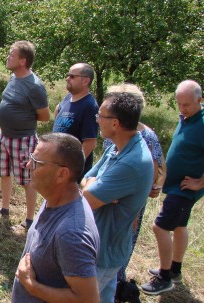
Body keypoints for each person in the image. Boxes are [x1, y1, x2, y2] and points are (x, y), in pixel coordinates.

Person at [81, 90, 154, 303]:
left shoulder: (132, 162)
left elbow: (88, 199)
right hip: (104, 246)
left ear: (115, 123)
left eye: (100, 116)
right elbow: (87, 178)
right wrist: (95, 186)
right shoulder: (117, 147)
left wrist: (93, 188)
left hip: (104, 252)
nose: (97, 121)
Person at [12, 133, 100, 303]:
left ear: (62, 174)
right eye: (31, 158)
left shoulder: (71, 233)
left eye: (37, 162)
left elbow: (88, 299)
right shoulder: (55, 199)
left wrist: (32, 287)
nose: (29, 165)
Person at [141, 80, 204, 295]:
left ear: (200, 100)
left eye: (186, 104)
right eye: (179, 103)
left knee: (160, 227)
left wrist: (201, 182)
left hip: (185, 189)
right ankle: (175, 269)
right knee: (179, 226)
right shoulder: (186, 117)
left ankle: (164, 277)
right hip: (176, 185)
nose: (182, 108)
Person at [101, 84, 165, 283]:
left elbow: (149, 180)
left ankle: (117, 286)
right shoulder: (114, 134)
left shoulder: (145, 136)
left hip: (126, 206)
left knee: (115, 255)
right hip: (106, 195)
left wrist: (133, 215)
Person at [0, 41, 49, 230]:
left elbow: (44, 116)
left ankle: (29, 219)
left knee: (27, 180)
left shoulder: (34, 86)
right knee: (4, 172)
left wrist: (22, 119)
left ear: (23, 61)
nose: (8, 58)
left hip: (23, 139)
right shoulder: (13, 77)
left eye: (12, 55)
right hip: (4, 136)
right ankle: (4, 208)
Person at [53, 63, 98, 180]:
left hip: (70, 173)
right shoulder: (68, 98)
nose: (67, 78)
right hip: (57, 164)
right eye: (68, 75)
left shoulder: (89, 106)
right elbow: (58, 111)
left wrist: (72, 167)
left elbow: (90, 142)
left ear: (85, 81)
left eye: (72, 76)